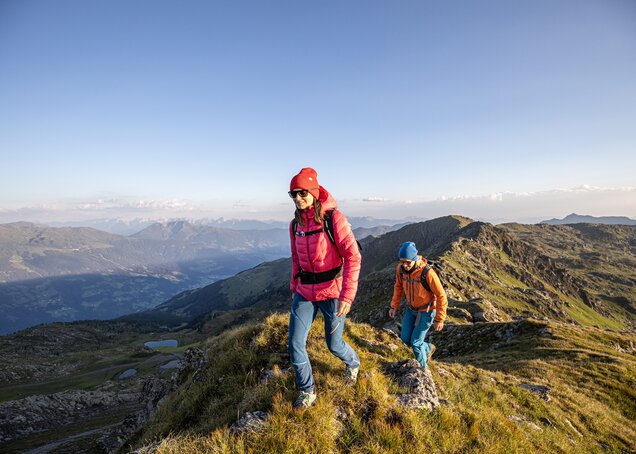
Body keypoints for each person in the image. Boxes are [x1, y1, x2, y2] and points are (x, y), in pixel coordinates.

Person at [287, 167, 362, 409]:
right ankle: (307, 391)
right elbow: (296, 258)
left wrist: (347, 296)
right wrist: (294, 285)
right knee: (295, 343)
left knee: (334, 345)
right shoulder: (295, 224)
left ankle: (353, 363)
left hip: (332, 292)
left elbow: (353, 256)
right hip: (305, 292)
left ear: (313, 192)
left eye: (302, 193)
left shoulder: (333, 219)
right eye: (293, 194)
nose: (298, 198)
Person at [388, 241, 447, 368]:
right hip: (411, 309)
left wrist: (439, 319)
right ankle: (428, 348)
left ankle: (423, 370)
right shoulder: (400, 270)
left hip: (427, 311)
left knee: (415, 342)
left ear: (415, 259)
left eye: (408, 262)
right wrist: (394, 306)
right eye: (402, 261)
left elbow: (441, 295)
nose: (405, 265)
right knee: (405, 339)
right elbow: (398, 287)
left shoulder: (427, 273)